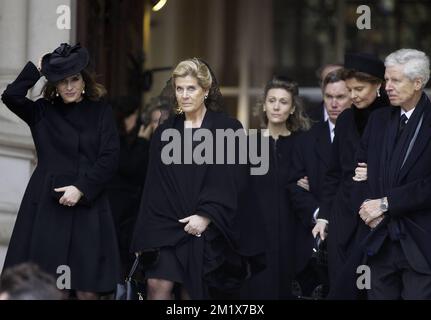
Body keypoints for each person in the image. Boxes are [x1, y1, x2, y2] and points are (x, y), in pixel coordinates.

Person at [130, 58, 261, 300]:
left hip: (206, 229)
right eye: (179, 88)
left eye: (191, 88)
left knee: (193, 293)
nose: (184, 95)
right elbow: (153, 186)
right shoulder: (165, 132)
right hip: (165, 224)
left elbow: (234, 181)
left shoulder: (228, 129)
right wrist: (143, 236)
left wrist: (207, 216)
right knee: (157, 288)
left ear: (206, 90)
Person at [1, 43, 121, 299]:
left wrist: (82, 188)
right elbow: (11, 96)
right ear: (54, 84)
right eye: (62, 81)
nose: (69, 86)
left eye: (74, 79)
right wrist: (37, 67)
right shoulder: (42, 111)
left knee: (88, 290)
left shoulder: (101, 111)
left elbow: (110, 158)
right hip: (48, 207)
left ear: (84, 81)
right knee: (52, 287)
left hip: (88, 206)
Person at [351, 49, 431, 299]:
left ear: (418, 83)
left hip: (421, 242)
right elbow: (358, 173)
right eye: (387, 80)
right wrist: (367, 207)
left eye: (395, 80)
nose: (388, 87)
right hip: (379, 239)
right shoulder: (378, 120)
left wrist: (386, 204)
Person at [312, 53, 389, 291]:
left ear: (378, 85)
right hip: (343, 217)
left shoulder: (394, 118)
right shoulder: (345, 119)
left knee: (371, 289)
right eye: (350, 89)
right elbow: (334, 172)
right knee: (341, 287)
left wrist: (375, 172)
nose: (353, 95)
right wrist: (324, 215)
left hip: (377, 219)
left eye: (359, 89)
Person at [241, 76, 311, 299]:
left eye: (283, 102)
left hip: (292, 237)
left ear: (292, 109)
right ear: (264, 105)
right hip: (255, 238)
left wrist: (311, 184)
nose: (276, 106)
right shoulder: (248, 143)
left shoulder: (304, 144)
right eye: (272, 100)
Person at [288, 69, 351, 298]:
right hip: (315, 237)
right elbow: (294, 185)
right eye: (328, 97)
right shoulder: (307, 138)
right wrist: (318, 213)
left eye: (341, 97)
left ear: (352, 96)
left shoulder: (369, 134)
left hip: (354, 233)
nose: (333, 103)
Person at [107, 96, 171, 279]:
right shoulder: (138, 144)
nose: (159, 126)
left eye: (164, 122)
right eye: (155, 122)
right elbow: (132, 169)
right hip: (132, 221)